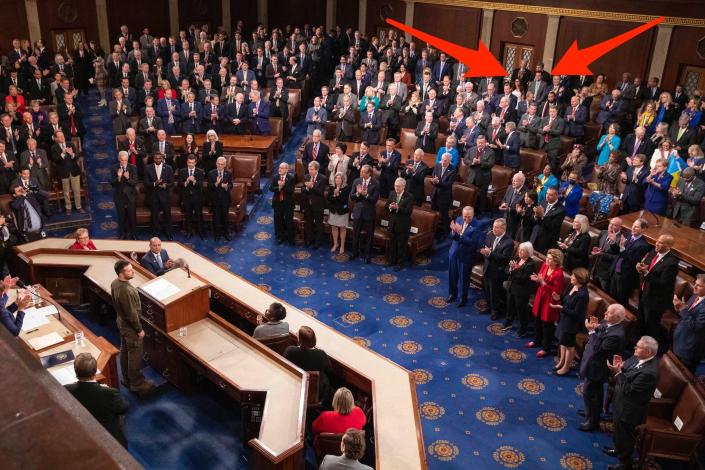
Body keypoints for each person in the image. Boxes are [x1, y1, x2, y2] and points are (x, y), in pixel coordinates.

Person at [604, 336, 659, 470]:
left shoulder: (649, 373)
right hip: (621, 403)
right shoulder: (637, 357)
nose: (634, 348)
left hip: (629, 411)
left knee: (626, 438)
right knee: (618, 432)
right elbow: (627, 369)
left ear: (648, 352)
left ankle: (625, 464)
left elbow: (630, 390)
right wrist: (620, 366)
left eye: (638, 347)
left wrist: (618, 373)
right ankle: (618, 450)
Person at [578, 304, 626, 432]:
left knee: (590, 392)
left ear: (617, 317)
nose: (605, 313)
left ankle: (593, 421)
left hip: (598, 368)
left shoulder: (616, 335)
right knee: (594, 392)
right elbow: (601, 332)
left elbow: (598, 349)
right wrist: (596, 328)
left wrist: (592, 331)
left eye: (608, 312)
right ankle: (591, 412)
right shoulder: (607, 322)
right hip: (592, 363)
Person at [111, 260, 156, 395]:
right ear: (121, 273)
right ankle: (136, 384)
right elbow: (131, 314)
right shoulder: (126, 290)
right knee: (135, 355)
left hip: (121, 322)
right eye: (129, 271)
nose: (133, 271)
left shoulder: (115, 283)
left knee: (125, 351)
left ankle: (127, 378)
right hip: (130, 327)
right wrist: (139, 329)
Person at [65, 353, 129, 447]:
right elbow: (124, 407)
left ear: (76, 371)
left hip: (84, 432)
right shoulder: (109, 393)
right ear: (95, 371)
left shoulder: (67, 389)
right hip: (109, 435)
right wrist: (104, 388)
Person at [636, 234, 678, 342]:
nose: (657, 244)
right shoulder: (653, 252)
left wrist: (646, 273)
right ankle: (638, 343)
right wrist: (640, 268)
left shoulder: (671, 263)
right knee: (640, 321)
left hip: (655, 301)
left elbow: (663, 283)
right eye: (657, 241)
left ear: (668, 246)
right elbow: (645, 265)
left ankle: (649, 348)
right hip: (644, 293)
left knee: (651, 326)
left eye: (661, 242)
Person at [526, 249, 565, 357]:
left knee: (547, 325)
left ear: (557, 261)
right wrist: (537, 280)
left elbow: (556, 293)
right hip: (540, 296)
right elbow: (540, 277)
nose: (547, 260)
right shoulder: (544, 265)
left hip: (550, 301)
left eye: (550, 259)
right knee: (537, 320)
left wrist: (543, 283)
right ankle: (536, 340)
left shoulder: (559, 274)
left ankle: (545, 348)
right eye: (547, 257)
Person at [552, 268, 589, 375]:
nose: (571, 277)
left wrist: (561, 308)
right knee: (563, 343)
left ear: (580, 279)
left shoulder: (583, 295)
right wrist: (558, 298)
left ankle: (566, 367)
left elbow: (576, 313)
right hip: (564, 319)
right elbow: (565, 299)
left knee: (569, 346)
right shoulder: (572, 286)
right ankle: (561, 362)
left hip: (572, 323)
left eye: (574, 276)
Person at [283, 326, 333, 405]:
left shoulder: (290, 350)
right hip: (317, 393)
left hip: (293, 389)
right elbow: (329, 370)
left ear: (300, 339)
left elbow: (283, 366)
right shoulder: (321, 354)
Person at [312, 387, 366, 452]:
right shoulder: (359, 412)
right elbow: (364, 423)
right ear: (352, 401)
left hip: (327, 450)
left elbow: (314, 429)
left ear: (335, 401)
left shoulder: (325, 416)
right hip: (350, 451)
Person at [479, 218, 513, 320]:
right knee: (486, 289)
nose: (494, 229)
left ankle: (495, 311)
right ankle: (489, 306)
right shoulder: (490, 235)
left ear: (504, 228)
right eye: (493, 226)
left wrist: (490, 253)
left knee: (495, 292)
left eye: (497, 228)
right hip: (487, 267)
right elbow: (486, 248)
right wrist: (486, 253)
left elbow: (504, 259)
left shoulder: (508, 242)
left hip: (497, 271)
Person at [672, 275, 705, 372]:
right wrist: (678, 307)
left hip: (689, 348)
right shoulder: (696, 295)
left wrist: (683, 309)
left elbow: (696, 327)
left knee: (683, 376)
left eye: (699, 285)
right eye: (695, 283)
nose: (694, 287)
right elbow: (685, 313)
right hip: (679, 339)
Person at [503, 241, 537, 335]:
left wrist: (514, 269)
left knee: (521, 310)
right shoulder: (518, 258)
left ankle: (523, 329)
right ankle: (509, 322)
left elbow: (523, 278)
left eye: (523, 250)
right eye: (520, 250)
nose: (520, 252)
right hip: (513, 287)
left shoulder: (531, 264)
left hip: (522, 291)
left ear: (528, 252)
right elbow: (507, 270)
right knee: (510, 306)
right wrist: (510, 269)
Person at [447, 206, 478, 307]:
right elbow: (452, 236)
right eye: (465, 216)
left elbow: (472, 243)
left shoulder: (477, 225)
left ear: (473, 215)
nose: (466, 219)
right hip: (454, 253)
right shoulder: (459, 219)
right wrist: (453, 231)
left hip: (465, 256)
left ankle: (463, 298)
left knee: (464, 279)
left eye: (469, 217)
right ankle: (452, 294)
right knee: (452, 276)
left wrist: (460, 234)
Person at [350, 165, 379, 263]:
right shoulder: (356, 181)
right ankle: (354, 252)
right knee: (355, 234)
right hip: (358, 212)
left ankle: (367, 255)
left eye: (363, 172)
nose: (360, 173)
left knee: (369, 236)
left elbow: (374, 200)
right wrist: (358, 194)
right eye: (361, 171)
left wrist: (365, 194)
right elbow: (351, 197)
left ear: (369, 173)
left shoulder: (376, 183)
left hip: (369, 213)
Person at [50, 131, 83, 214]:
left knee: (77, 190)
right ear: (56, 138)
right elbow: (55, 160)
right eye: (60, 136)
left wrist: (72, 154)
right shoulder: (54, 148)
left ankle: (78, 206)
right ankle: (68, 207)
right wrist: (63, 153)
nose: (62, 137)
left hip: (74, 170)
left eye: (62, 135)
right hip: (63, 172)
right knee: (66, 192)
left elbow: (77, 157)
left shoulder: (70, 144)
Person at [385, 178, 414, 271]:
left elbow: (408, 211)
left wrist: (398, 208)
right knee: (392, 243)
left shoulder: (409, 196)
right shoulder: (392, 193)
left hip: (403, 225)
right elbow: (386, 205)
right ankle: (391, 260)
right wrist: (390, 206)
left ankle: (399, 263)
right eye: (395, 186)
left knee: (401, 245)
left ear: (403, 186)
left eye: (398, 186)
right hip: (392, 223)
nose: (396, 188)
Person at [145, 152, 174, 240]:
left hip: (165, 196)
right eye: (156, 158)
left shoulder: (168, 168)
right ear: (153, 159)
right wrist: (155, 183)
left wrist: (166, 185)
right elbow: (145, 183)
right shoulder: (148, 168)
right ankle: (156, 234)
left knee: (167, 216)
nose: (158, 160)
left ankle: (168, 233)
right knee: (154, 216)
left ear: (162, 158)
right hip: (153, 196)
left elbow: (172, 182)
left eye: (159, 158)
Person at [430, 153, 457, 241]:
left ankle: (446, 233)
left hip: (444, 197)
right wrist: (432, 181)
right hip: (435, 194)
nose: (442, 162)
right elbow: (433, 177)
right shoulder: (437, 165)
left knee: (444, 216)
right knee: (434, 214)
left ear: (449, 161)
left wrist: (437, 182)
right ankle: (433, 232)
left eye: (445, 160)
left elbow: (448, 184)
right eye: (442, 159)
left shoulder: (453, 170)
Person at [530, 187, 565, 254]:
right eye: (547, 194)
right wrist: (535, 215)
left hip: (546, 241)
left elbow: (553, 226)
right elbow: (534, 220)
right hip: (534, 236)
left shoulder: (561, 210)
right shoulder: (543, 202)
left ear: (556, 195)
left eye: (550, 195)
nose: (547, 196)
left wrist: (543, 216)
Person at [592, 217, 624, 290]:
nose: (610, 226)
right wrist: (596, 249)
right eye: (610, 223)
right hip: (595, 268)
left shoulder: (621, 239)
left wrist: (602, 254)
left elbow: (617, 257)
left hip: (606, 273)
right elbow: (596, 244)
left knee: (603, 293)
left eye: (614, 225)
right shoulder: (603, 232)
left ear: (620, 227)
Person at [179, 154, 205, 240]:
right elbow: (179, 184)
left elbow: (201, 184)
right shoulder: (182, 171)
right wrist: (186, 182)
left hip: (197, 197)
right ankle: (189, 232)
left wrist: (194, 181)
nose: (191, 164)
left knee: (199, 215)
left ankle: (201, 232)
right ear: (187, 162)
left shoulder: (200, 171)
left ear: (195, 163)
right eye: (189, 162)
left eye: (192, 163)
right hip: (186, 197)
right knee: (188, 215)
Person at [208, 156, 233, 242]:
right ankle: (217, 234)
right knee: (216, 218)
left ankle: (226, 233)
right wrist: (216, 183)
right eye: (218, 164)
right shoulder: (211, 173)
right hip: (215, 200)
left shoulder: (228, 173)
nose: (220, 166)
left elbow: (231, 185)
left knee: (225, 217)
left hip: (225, 199)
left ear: (225, 165)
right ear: (216, 164)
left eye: (222, 164)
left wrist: (226, 186)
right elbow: (209, 187)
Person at [270, 162, 295, 246]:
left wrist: (283, 186)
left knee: (289, 220)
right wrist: (279, 188)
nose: (280, 169)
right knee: (278, 220)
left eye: (282, 168)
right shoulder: (275, 177)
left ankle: (290, 238)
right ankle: (279, 237)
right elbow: (271, 188)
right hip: (277, 203)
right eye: (279, 167)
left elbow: (291, 191)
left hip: (288, 203)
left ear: (287, 169)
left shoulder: (291, 178)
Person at [302, 160, 326, 248]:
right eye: (309, 169)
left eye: (312, 169)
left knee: (319, 224)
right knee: (309, 223)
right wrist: (307, 189)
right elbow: (302, 190)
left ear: (317, 170)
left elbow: (320, 192)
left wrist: (312, 186)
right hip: (308, 204)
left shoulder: (322, 178)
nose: (310, 171)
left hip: (318, 205)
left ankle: (318, 241)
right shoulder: (306, 176)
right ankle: (309, 239)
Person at [327, 172, 350, 255]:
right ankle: (336, 243)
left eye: (339, 178)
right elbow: (329, 198)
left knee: (343, 228)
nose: (337, 180)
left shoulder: (346, 188)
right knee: (334, 227)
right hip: (333, 210)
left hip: (342, 210)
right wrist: (334, 195)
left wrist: (338, 194)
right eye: (336, 178)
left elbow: (344, 200)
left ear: (343, 179)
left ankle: (342, 245)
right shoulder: (331, 187)